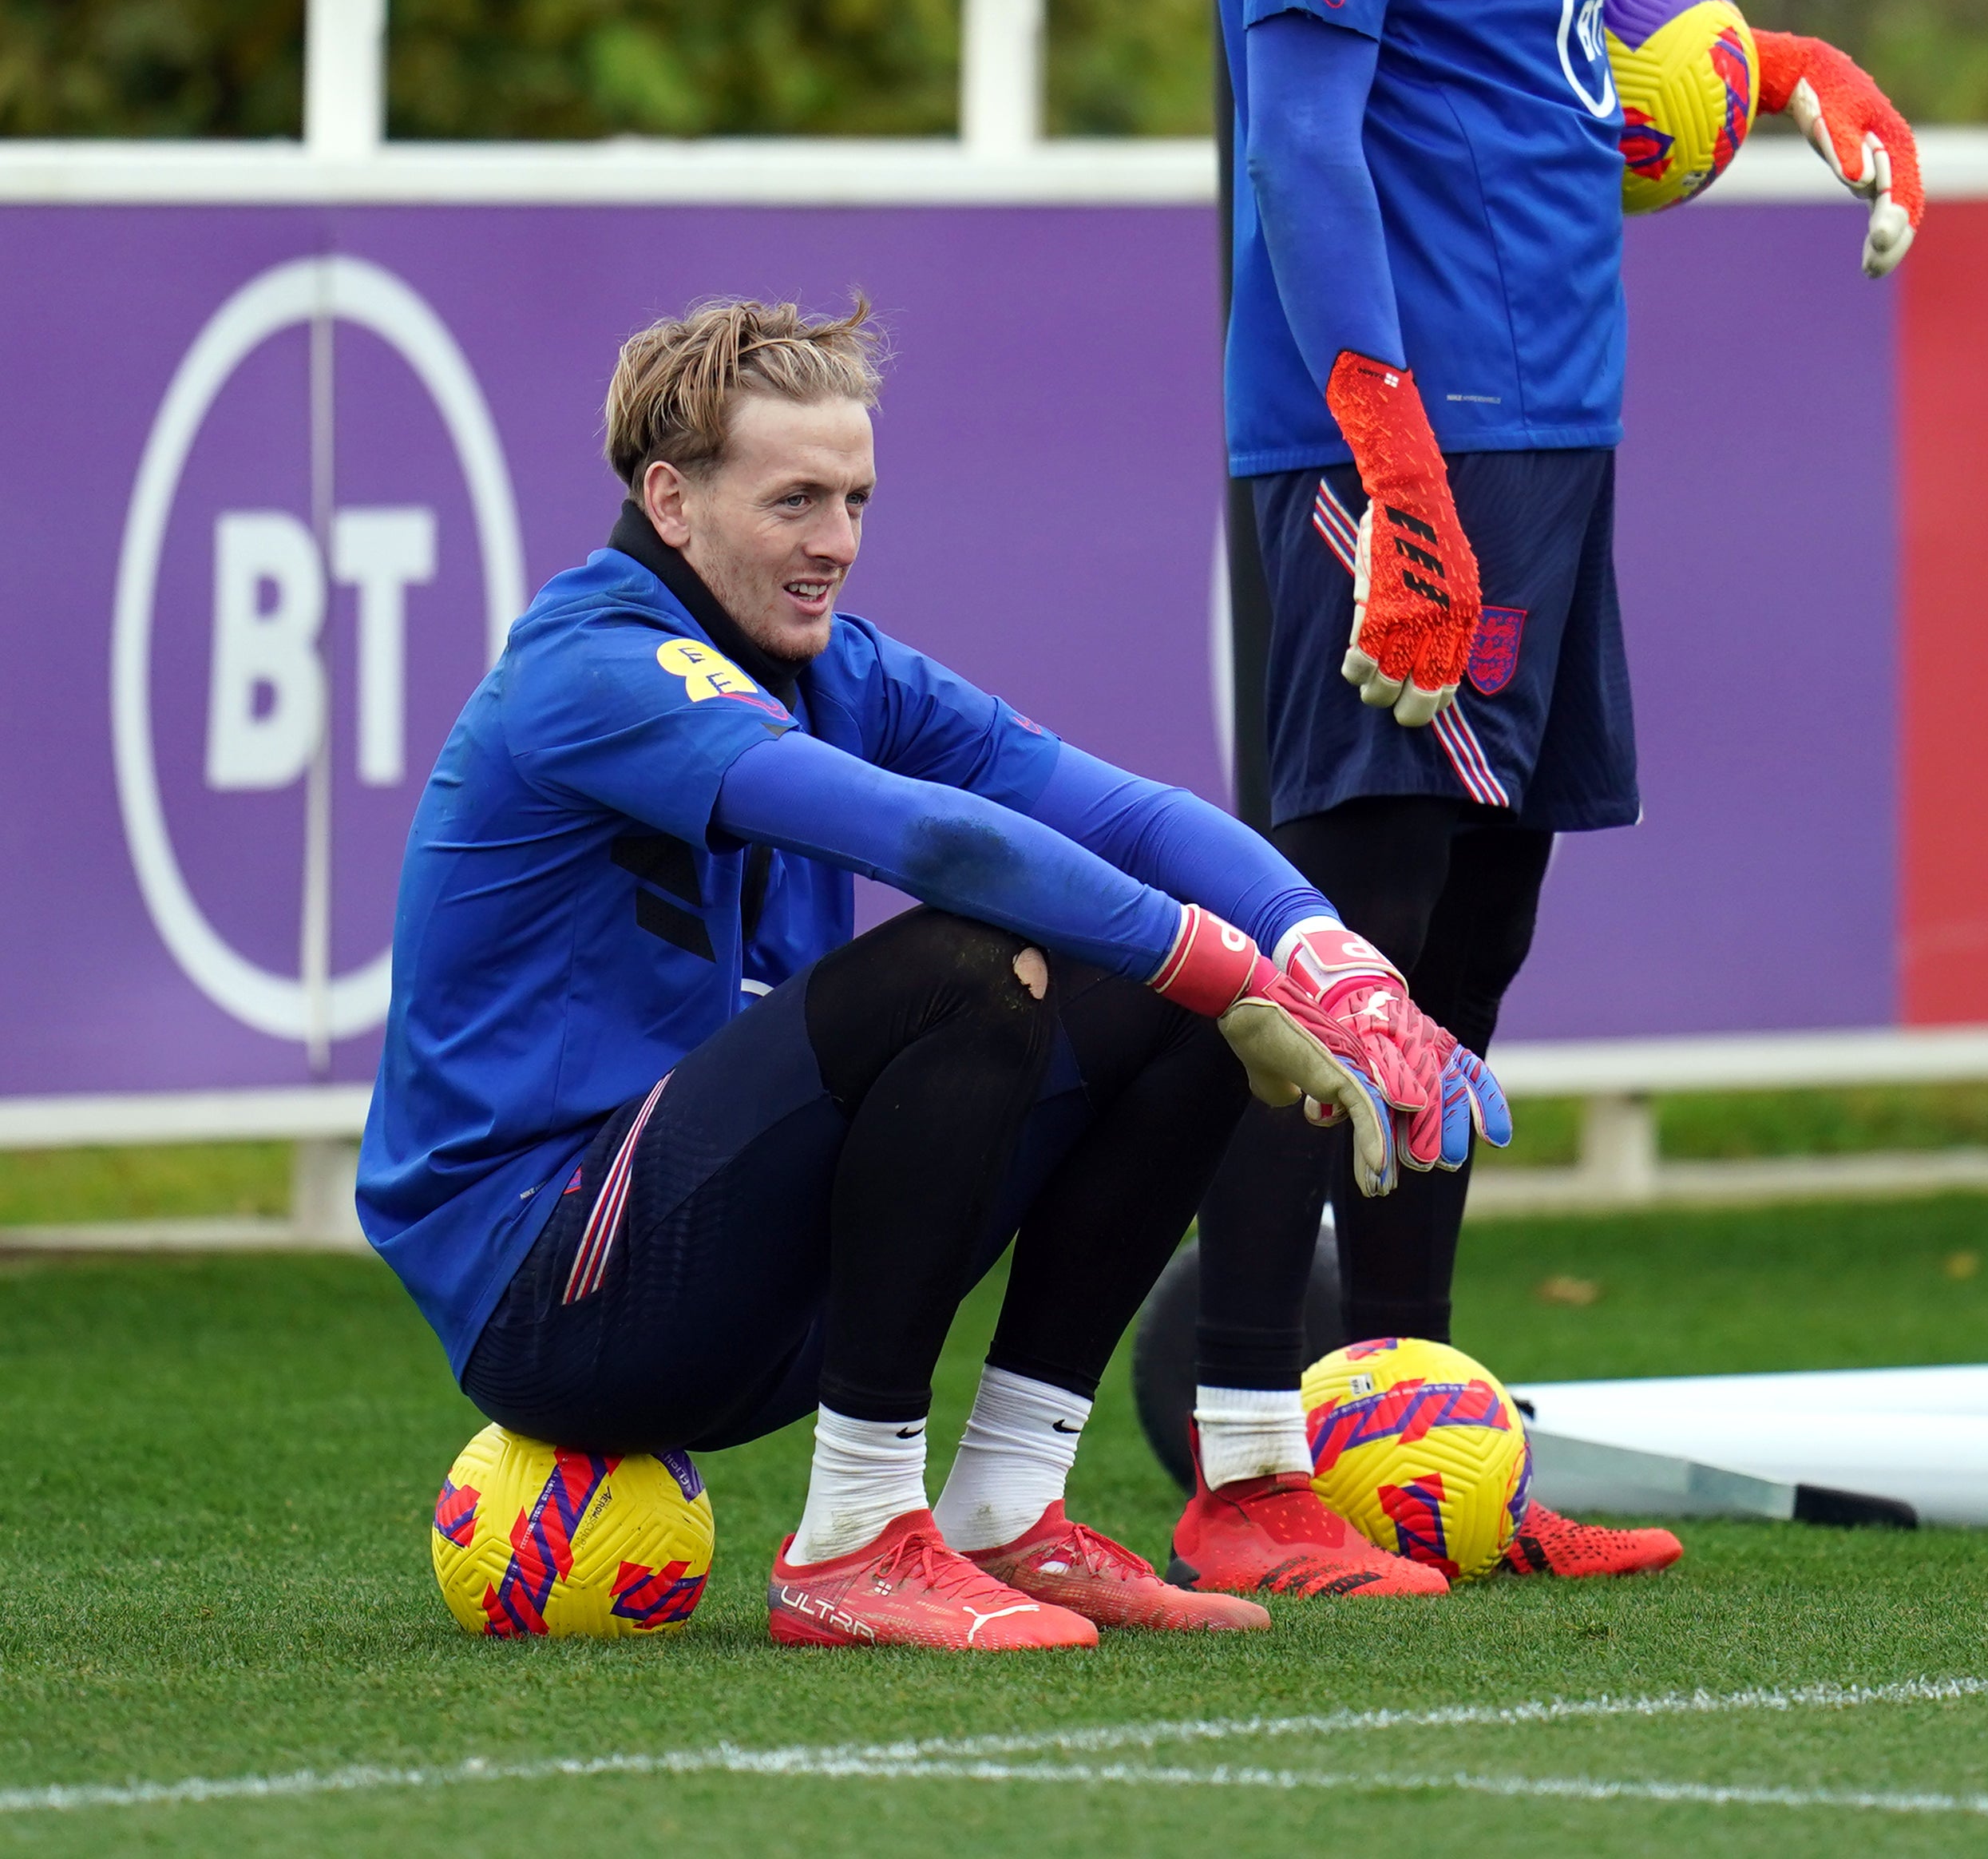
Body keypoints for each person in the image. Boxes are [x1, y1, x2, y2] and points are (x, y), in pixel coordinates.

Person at [1177, 0, 1923, 1598]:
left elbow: (1565, 17)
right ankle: (1227, 1454)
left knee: (1467, 962)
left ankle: (1408, 1444)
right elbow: (1298, 122)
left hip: (1546, 418)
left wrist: (1775, 65)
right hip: (1388, 437)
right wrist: (1388, 455)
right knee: (1341, 951)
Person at [360, 296, 1504, 1653]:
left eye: (854, 499)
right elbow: (929, 836)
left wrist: (1333, 965)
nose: (836, 544)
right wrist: (1226, 970)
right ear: (669, 499)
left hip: (744, 1291)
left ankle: (1009, 1511)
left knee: (1188, 978)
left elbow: (1128, 814)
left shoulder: (834, 664)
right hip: (553, 1297)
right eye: (795, 500)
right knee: (978, 959)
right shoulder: (590, 670)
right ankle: (849, 1540)